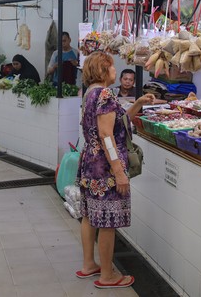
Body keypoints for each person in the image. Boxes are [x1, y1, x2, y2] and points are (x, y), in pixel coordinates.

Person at [76, 51, 154, 289]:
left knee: (90, 215)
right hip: (105, 169)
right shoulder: (106, 94)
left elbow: (116, 123)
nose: (115, 71)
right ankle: (108, 275)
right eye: (111, 67)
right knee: (108, 220)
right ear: (102, 70)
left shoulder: (90, 93)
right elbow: (106, 135)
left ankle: (89, 264)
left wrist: (137, 104)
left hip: (90, 162)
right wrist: (118, 171)